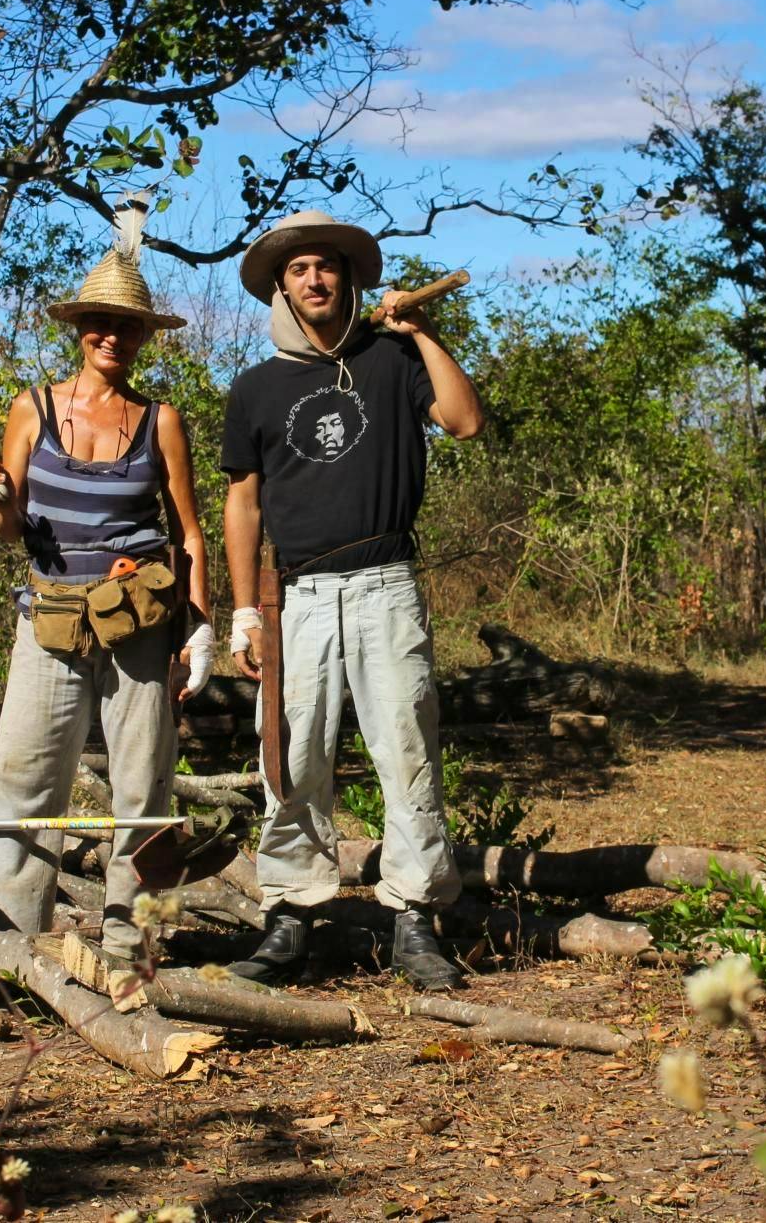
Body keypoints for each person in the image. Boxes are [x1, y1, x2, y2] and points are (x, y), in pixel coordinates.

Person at [219, 209, 483, 990]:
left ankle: (414, 919)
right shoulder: (256, 388)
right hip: (295, 598)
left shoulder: (394, 362)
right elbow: (242, 503)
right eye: (298, 268)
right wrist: (242, 611)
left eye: (326, 265)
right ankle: (291, 915)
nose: (314, 278)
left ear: (350, 277)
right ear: (281, 287)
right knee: (291, 758)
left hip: (385, 587)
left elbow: (464, 421)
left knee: (406, 752)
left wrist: (423, 331)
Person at [0, 232, 215, 962]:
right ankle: (17, 945)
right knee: (20, 779)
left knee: (144, 785)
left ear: (146, 336)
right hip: (48, 618)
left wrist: (198, 633)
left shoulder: (159, 421)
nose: (112, 335)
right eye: (99, 323)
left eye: (129, 325)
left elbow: (191, 533)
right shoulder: (32, 409)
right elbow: (6, 527)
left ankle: (135, 945)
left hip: (140, 622)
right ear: (79, 329)